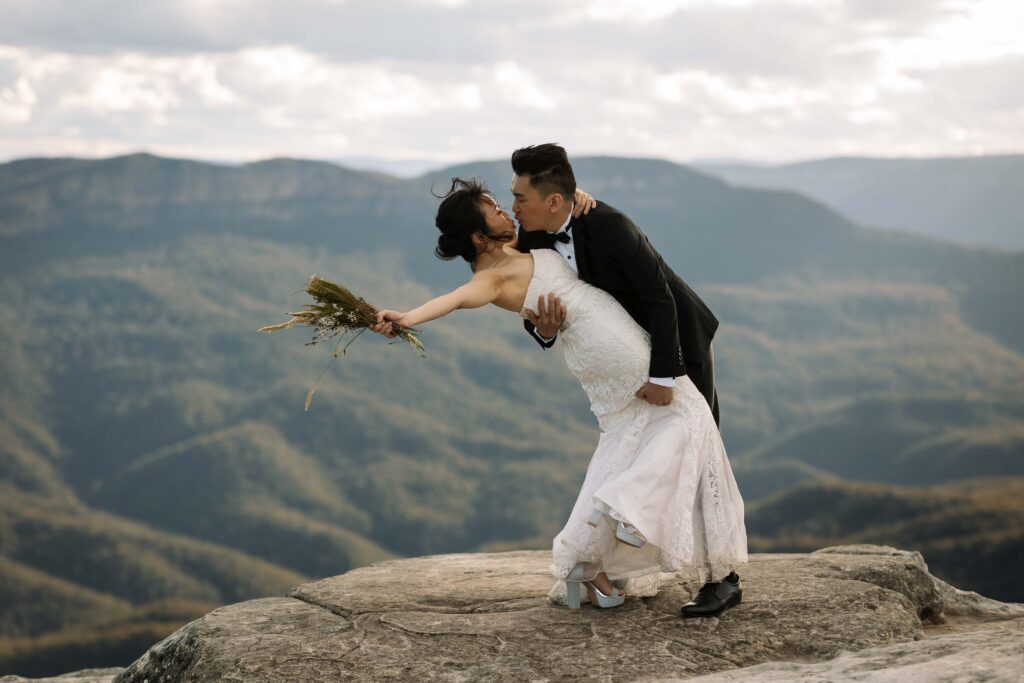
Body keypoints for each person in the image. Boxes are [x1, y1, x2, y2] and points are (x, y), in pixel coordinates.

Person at [372, 177, 747, 617]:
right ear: (477, 235)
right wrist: (405, 318)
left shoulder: (533, 240)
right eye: (496, 208)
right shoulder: (490, 276)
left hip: (644, 342)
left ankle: (592, 561)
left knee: (630, 440)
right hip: (619, 350)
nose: (509, 210)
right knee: (690, 422)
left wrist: (575, 199)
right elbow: (454, 299)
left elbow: (559, 232)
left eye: (513, 200)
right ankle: (633, 511)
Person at [512, 144, 721, 425]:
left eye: (520, 199)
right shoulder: (530, 240)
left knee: (701, 439)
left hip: (679, 338)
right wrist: (544, 331)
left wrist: (662, 377)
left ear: (553, 202)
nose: (513, 209)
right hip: (629, 358)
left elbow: (660, 296)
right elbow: (529, 297)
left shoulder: (611, 225)